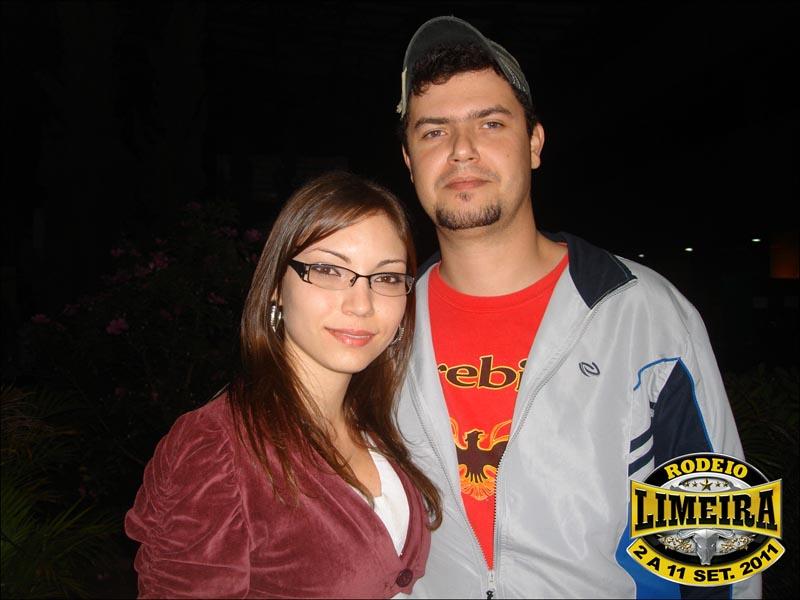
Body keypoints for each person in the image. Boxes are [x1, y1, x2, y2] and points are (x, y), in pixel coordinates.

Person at [393, 16, 760, 599]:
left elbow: (723, 552)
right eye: (434, 132)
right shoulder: (382, 325)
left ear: (534, 144)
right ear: (410, 160)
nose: (462, 150)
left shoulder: (646, 313)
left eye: (491, 124)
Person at [125, 171, 442, 598]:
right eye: (328, 270)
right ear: (276, 287)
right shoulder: (218, 448)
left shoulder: (377, 423)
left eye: (385, 278)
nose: (361, 304)